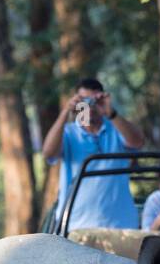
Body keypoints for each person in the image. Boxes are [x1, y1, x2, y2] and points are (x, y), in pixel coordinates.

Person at [42, 77, 146, 230]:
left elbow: (138, 142)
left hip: (120, 226)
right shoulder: (69, 132)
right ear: (76, 103)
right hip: (75, 226)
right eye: (84, 101)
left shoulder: (117, 127)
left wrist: (111, 113)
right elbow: (49, 153)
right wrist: (65, 112)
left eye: (93, 101)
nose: (89, 107)